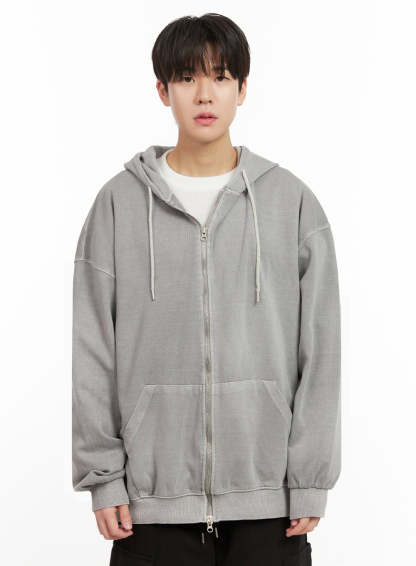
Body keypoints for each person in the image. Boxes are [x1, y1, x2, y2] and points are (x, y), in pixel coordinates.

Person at [72, 12, 341, 566]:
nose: (204, 93)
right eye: (187, 77)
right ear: (162, 90)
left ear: (242, 89)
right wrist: (103, 476)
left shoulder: (291, 203)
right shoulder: (118, 205)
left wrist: (309, 478)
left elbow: (322, 349)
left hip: (271, 501)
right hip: (149, 506)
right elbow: (93, 346)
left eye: (220, 77)